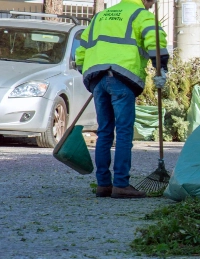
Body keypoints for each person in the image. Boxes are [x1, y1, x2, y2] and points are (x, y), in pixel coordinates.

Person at [74, 0, 168, 199]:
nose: (151, 5)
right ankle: (121, 185)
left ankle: (103, 185)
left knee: (104, 132)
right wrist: (161, 69)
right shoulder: (140, 14)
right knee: (124, 132)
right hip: (122, 78)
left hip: (97, 78)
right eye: (151, 2)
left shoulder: (101, 16)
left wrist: (87, 70)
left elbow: (82, 50)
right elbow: (156, 41)